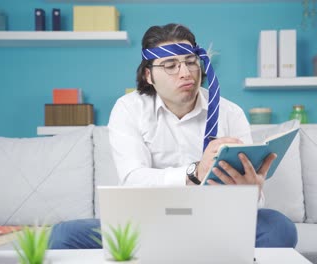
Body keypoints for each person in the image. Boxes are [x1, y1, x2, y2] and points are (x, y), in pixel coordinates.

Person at [49, 23, 297, 249]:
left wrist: (252, 191)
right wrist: (195, 172)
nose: (185, 72)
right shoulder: (128, 110)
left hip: (215, 224)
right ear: (149, 75)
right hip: (145, 223)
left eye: (191, 62)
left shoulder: (230, 113)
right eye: (171, 66)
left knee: (279, 227)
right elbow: (133, 179)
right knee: (63, 235)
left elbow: (247, 204)